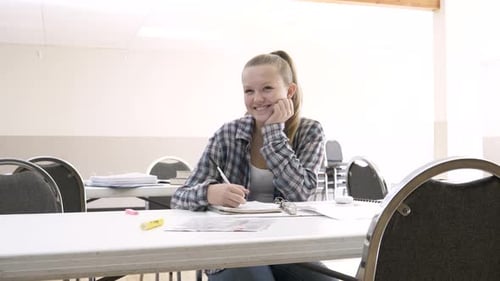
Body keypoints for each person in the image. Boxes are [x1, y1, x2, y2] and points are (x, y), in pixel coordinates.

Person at [171, 50, 335, 281]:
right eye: (249, 91)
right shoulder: (228, 134)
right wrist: (209, 193)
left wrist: (273, 132)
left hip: (290, 246)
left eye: (267, 89)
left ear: (289, 91)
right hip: (232, 246)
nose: (257, 99)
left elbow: (301, 193)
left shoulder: (310, 131)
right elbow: (179, 197)